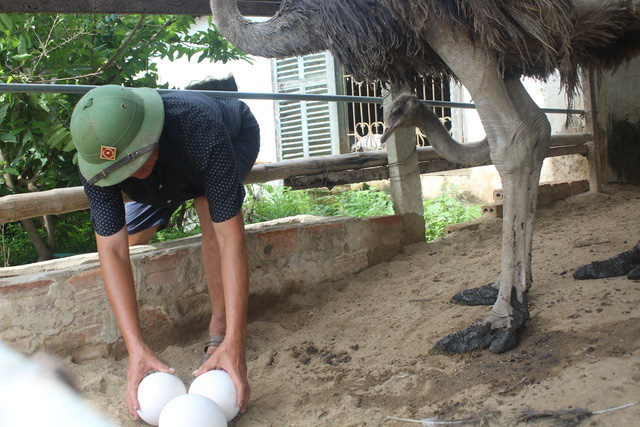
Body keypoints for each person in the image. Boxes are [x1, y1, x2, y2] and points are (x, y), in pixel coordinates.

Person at [70, 84, 260, 419]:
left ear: (150, 133)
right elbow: (112, 252)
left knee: (207, 207)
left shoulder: (197, 127)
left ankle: (219, 328)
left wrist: (237, 344)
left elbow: (231, 239)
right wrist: (135, 349)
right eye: (121, 172)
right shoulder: (98, 160)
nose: (130, 174)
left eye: (135, 163)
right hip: (168, 173)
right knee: (130, 233)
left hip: (234, 134)